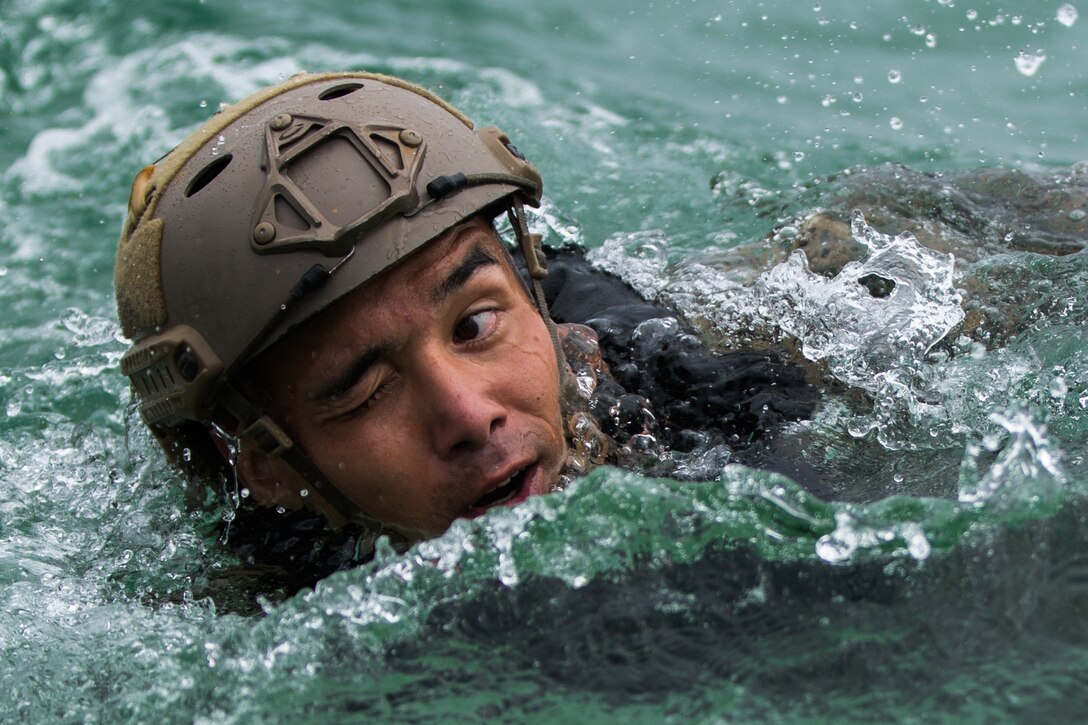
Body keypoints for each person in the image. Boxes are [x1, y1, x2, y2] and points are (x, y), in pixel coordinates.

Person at [114, 72, 817, 591]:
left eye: (474, 325)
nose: (469, 414)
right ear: (265, 465)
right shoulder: (262, 599)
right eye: (364, 391)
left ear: (527, 287)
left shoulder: (692, 387)